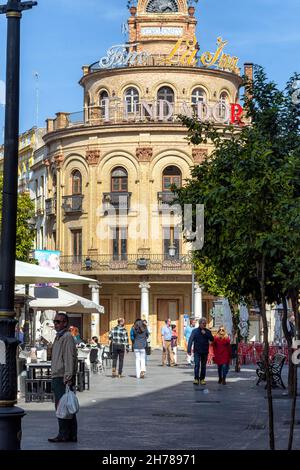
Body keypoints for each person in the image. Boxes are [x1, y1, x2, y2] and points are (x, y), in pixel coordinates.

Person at [48, 313, 78, 443]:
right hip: (57, 374)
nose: (55, 324)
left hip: (62, 376)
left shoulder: (67, 337)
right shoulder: (58, 337)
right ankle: (70, 434)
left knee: (62, 407)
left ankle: (64, 434)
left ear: (65, 323)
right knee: (65, 406)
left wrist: (68, 375)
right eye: (55, 322)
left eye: (58, 322)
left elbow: (69, 357)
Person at [187, 317, 214, 385]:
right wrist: (189, 350)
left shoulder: (207, 331)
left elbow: (212, 339)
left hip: (205, 351)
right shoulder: (195, 331)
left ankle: (202, 379)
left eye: (205, 323)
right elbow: (190, 340)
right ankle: (196, 378)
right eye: (203, 323)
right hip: (197, 351)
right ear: (199, 324)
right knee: (197, 365)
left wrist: (206, 334)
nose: (204, 325)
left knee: (203, 366)